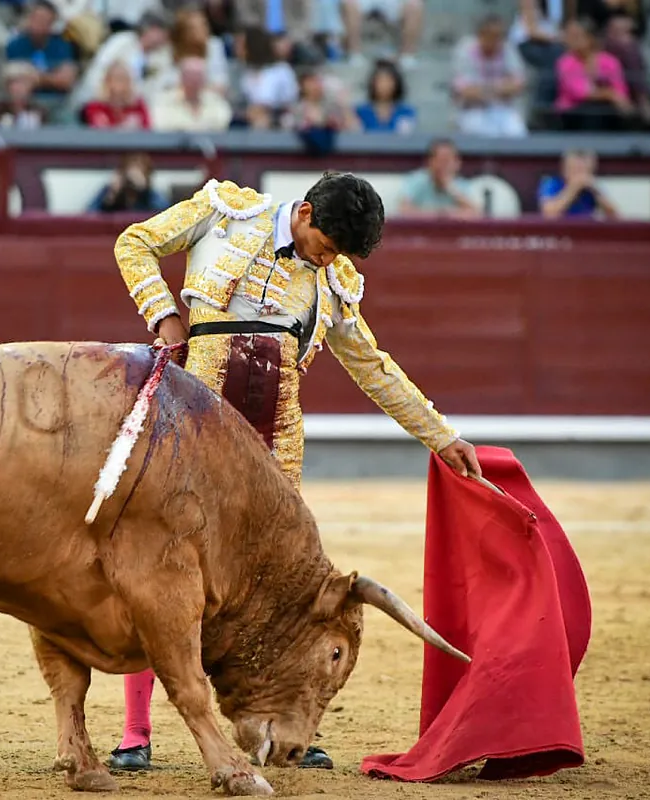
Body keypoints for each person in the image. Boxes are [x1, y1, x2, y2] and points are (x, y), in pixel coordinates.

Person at [109, 171, 481, 773]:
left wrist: (442, 438)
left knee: (274, 594)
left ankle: (279, 725)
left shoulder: (334, 280)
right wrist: (163, 317)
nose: (328, 261)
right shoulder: (224, 212)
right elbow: (134, 242)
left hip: (275, 448)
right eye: (327, 246)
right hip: (196, 430)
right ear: (304, 212)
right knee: (167, 574)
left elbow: (374, 368)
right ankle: (135, 732)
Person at [537, 149, 618, 219]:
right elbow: (549, 214)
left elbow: (614, 216)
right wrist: (573, 188)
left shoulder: (592, 188)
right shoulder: (552, 183)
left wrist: (596, 192)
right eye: (576, 169)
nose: (580, 175)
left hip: (586, 230)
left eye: (584, 170)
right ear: (565, 169)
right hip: (559, 230)